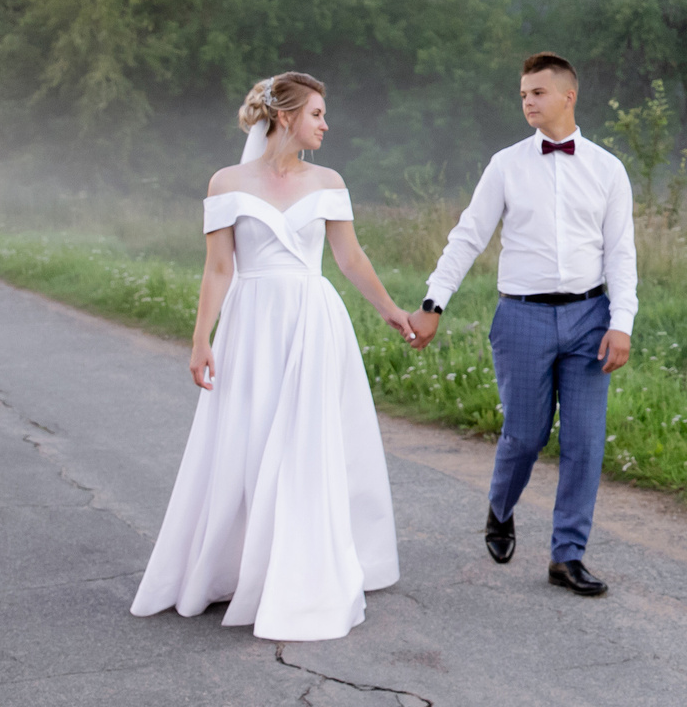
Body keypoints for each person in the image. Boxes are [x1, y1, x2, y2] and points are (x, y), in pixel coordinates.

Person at [132, 72, 407, 641]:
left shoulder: (329, 181)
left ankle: (301, 567)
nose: (326, 125)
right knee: (250, 439)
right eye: (316, 114)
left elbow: (350, 258)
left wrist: (390, 311)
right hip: (251, 324)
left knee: (305, 444)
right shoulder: (226, 182)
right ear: (284, 117)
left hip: (312, 319)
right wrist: (200, 337)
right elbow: (219, 267)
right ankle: (240, 565)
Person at [402, 53, 635, 597]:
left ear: (567, 96)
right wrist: (432, 305)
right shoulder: (506, 164)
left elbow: (621, 255)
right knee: (525, 435)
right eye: (523, 94)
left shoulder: (607, 169)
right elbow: (468, 236)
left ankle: (567, 555)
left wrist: (620, 322)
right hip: (522, 316)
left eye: (537, 93)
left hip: (589, 317)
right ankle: (500, 509)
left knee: (585, 442)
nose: (527, 102)